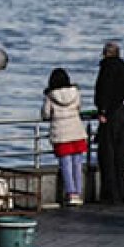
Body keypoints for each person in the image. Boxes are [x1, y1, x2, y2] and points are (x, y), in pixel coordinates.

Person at [94, 41, 124, 204]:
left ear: (105, 53)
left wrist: (102, 111)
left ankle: (110, 193)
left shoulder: (107, 68)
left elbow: (104, 90)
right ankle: (121, 192)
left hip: (112, 114)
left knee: (107, 153)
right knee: (121, 154)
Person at [42, 69, 88, 206]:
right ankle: (78, 192)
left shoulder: (50, 96)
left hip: (61, 134)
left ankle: (71, 193)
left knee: (66, 165)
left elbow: (45, 114)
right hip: (77, 132)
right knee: (77, 164)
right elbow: (79, 108)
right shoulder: (76, 93)